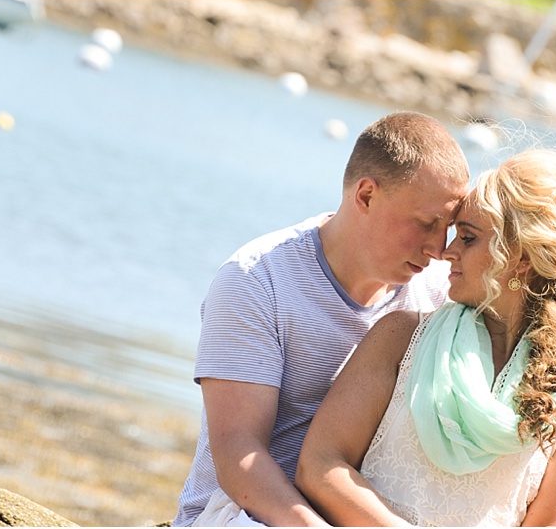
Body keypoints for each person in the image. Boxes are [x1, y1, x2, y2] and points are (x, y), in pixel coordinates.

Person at [295, 149, 556, 526]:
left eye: (467, 238)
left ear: (522, 258)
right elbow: (320, 465)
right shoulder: (399, 337)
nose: (446, 252)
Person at [172, 111, 471, 527]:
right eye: (425, 224)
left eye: (450, 228)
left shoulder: (439, 291)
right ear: (366, 196)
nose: (439, 248)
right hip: (242, 517)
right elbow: (239, 455)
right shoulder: (257, 280)